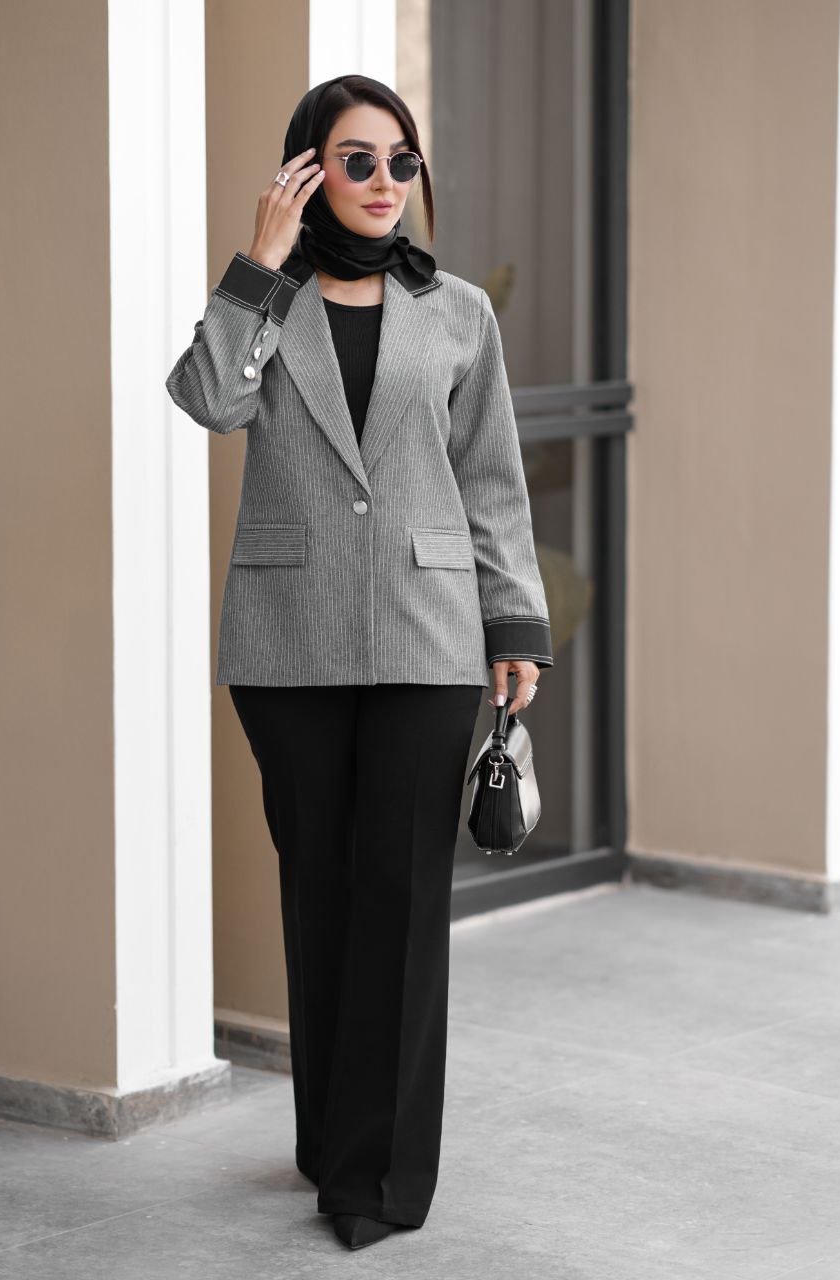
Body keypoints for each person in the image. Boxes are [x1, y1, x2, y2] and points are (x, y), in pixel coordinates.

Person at [165, 74, 553, 1252]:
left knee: (400, 898)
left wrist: (515, 624)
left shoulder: (457, 312)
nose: (385, 182)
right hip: (287, 639)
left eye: (400, 160)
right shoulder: (267, 300)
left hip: (430, 636)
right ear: (305, 171)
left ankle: (377, 1177)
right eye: (356, 160)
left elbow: (491, 477)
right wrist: (256, 261)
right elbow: (207, 401)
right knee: (322, 890)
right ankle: (328, 1137)